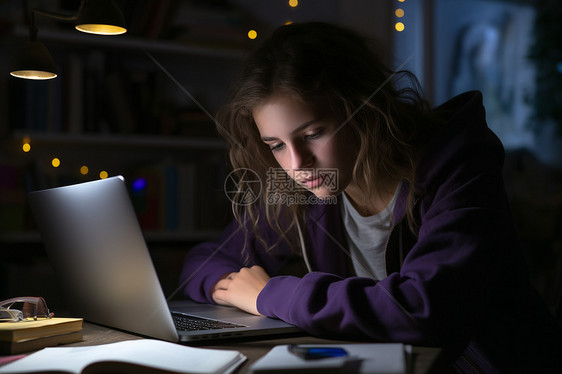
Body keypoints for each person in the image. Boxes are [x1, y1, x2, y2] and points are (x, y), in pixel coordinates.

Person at [179, 22, 561, 373]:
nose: (297, 164)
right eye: (276, 145)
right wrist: (228, 285)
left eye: (313, 134)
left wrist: (269, 295)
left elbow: (424, 310)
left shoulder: (458, 166)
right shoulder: (309, 185)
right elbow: (205, 261)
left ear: (364, 110)